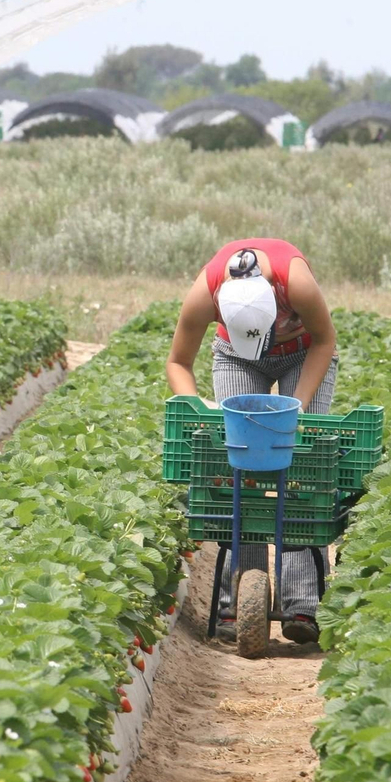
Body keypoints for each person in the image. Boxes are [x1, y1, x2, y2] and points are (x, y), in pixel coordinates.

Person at [165, 238, 338, 645]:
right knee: (241, 463)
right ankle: (239, 596)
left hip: (304, 353)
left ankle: (304, 602)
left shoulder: (295, 282)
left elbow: (326, 339)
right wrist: (199, 408)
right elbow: (177, 363)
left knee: (300, 466)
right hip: (235, 358)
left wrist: (296, 408)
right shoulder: (205, 293)